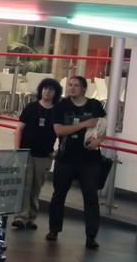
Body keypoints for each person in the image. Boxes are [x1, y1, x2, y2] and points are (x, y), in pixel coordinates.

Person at [46, 75, 107, 249]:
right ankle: (54, 229)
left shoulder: (94, 105)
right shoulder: (61, 106)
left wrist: (99, 140)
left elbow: (103, 127)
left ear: (84, 88)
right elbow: (59, 130)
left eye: (76, 85)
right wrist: (83, 124)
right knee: (59, 195)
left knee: (91, 198)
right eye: (70, 85)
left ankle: (91, 236)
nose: (71, 88)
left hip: (90, 161)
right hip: (66, 158)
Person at [12, 77, 62, 231]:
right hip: (26, 152)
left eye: (50, 89)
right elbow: (19, 129)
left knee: (36, 188)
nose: (47, 91)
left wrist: (57, 151)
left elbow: (61, 133)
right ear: (41, 90)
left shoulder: (57, 111)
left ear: (55, 93)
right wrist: (17, 150)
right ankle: (20, 217)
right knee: (24, 186)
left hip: (44, 155)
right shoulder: (31, 108)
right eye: (45, 88)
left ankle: (31, 217)